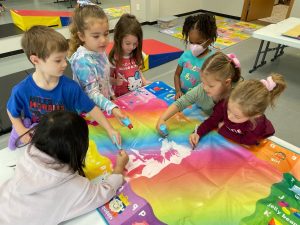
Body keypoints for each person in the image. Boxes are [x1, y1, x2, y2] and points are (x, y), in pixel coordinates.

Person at [0, 111, 129, 225]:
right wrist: (119, 167)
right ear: (77, 149)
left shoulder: (27, 157)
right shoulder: (73, 186)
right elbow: (105, 192)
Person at [7, 25, 121, 149]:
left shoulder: (70, 88)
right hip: (39, 140)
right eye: (58, 60)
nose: (65, 64)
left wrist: (110, 129)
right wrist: (21, 130)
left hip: (65, 138)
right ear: (35, 60)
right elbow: (12, 111)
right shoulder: (21, 90)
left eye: (65, 58)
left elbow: (91, 108)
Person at [156, 52, 242, 136]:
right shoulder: (201, 90)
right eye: (203, 82)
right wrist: (162, 119)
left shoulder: (238, 95)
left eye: (210, 86)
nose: (205, 88)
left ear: (227, 83)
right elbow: (181, 102)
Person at [189, 73, 286, 147]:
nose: (229, 116)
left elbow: (248, 141)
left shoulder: (256, 124)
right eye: (229, 110)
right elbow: (212, 120)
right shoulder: (228, 103)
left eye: (237, 116)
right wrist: (198, 132)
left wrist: (223, 129)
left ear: (255, 115)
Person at [68, 4, 126, 121]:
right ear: (82, 36)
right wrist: (111, 107)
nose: (103, 40)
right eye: (96, 36)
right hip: (89, 113)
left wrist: (111, 94)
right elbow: (92, 93)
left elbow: (103, 78)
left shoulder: (99, 50)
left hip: (103, 106)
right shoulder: (82, 61)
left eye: (106, 34)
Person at [174, 13, 218, 100]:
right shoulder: (185, 55)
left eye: (198, 43)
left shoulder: (212, 60)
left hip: (199, 101)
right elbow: (177, 75)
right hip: (182, 98)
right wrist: (178, 91)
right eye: (191, 42)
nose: (194, 46)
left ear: (209, 40)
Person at [109, 13, 150, 97]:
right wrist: (115, 81)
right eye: (128, 43)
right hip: (122, 97)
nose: (132, 47)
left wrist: (144, 81)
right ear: (118, 39)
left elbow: (138, 70)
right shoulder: (114, 58)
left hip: (137, 93)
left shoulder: (137, 53)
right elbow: (107, 78)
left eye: (135, 44)